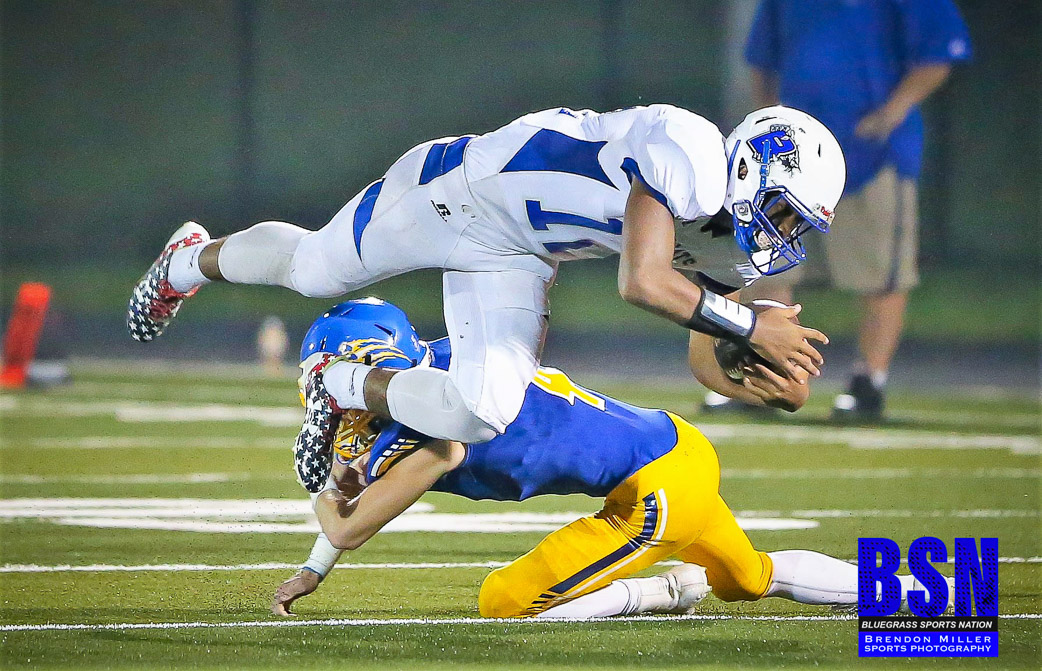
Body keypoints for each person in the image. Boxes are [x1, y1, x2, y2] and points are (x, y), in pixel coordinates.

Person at [127, 104, 844, 491]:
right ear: (755, 163)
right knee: (315, 269)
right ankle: (188, 261)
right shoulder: (691, 149)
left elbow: (702, 355)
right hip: (457, 193)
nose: (783, 234)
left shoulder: (727, 243)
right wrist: (751, 325)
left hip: (517, 256)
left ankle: (338, 382)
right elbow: (643, 281)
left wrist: (758, 383)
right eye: (785, 212)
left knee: (481, 412)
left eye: (797, 227)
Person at [271, 299, 948, 619]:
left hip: (656, 488)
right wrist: (313, 566)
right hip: (675, 451)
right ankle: (932, 595)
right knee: (749, 578)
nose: (333, 395)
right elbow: (358, 493)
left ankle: (666, 591)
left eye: (337, 375)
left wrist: (320, 487)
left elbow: (349, 522)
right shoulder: (443, 367)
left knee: (504, 602)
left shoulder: (437, 424)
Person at [716, 0, 971, 422]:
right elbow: (762, 57)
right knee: (767, 265)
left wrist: (891, 112)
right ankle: (766, 375)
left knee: (881, 273)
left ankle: (868, 381)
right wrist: (771, 121)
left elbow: (939, 52)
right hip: (790, 163)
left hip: (871, 152)